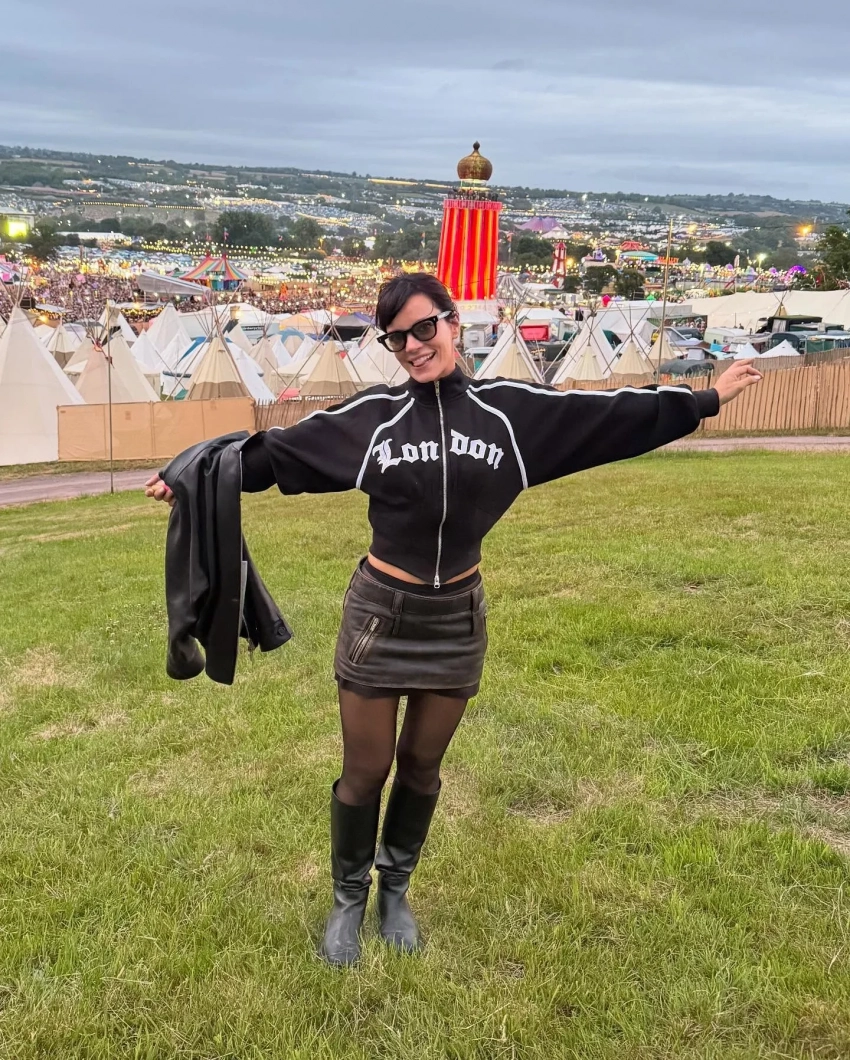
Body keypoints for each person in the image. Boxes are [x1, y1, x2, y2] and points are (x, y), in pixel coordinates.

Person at [146, 273, 761, 967]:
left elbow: (607, 417)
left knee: (421, 767)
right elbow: (279, 451)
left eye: (423, 328)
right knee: (366, 768)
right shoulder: (375, 418)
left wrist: (703, 399)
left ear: (452, 323)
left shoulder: (510, 415)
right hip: (380, 617)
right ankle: (348, 898)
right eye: (396, 338)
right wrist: (191, 474)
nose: (413, 346)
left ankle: (395, 891)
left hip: (456, 622)